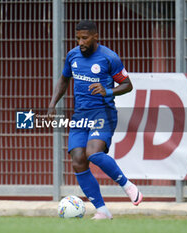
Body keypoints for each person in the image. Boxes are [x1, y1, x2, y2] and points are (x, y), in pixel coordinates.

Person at [47, 20, 143, 220]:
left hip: (103, 113)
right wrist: (52, 103)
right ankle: (102, 210)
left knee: (93, 153)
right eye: (78, 38)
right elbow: (64, 79)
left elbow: (127, 85)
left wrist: (107, 91)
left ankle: (128, 186)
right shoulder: (72, 56)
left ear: (95, 37)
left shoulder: (109, 57)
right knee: (78, 161)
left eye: (85, 38)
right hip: (80, 116)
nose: (81, 42)